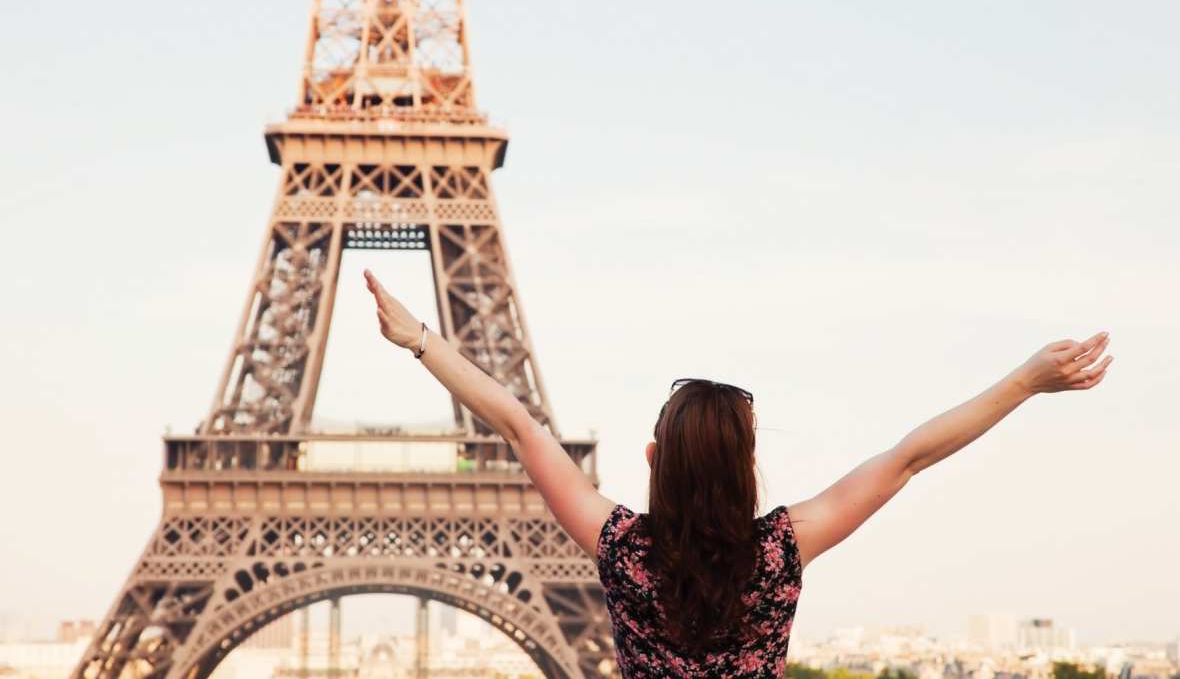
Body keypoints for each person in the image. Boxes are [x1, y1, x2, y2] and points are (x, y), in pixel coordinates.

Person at [362, 268, 1113, 678]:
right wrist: (1025, 382)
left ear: (656, 460)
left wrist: (418, 338)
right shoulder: (785, 546)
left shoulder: (619, 545)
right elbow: (909, 457)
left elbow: (517, 423)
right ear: (746, 465)